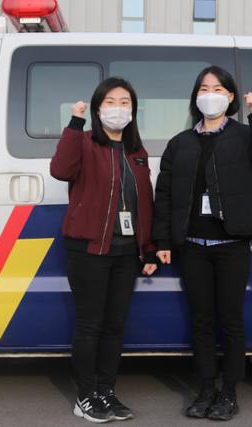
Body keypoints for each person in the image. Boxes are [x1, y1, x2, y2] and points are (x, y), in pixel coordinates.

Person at [152, 66, 252, 421]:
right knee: (201, 321)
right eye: (204, 88)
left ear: (229, 96)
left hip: (232, 244)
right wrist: (162, 240)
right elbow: (163, 195)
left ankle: (229, 392)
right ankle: (206, 389)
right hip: (192, 246)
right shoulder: (180, 143)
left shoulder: (243, 135)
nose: (210, 94)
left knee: (231, 320)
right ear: (196, 97)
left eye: (218, 88)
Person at [50, 77, 158, 423]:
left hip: (126, 253)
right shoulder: (83, 142)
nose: (118, 108)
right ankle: (85, 396)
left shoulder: (137, 153)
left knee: (115, 326)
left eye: (125, 102)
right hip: (89, 249)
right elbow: (60, 170)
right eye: (110, 101)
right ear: (99, 109)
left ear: (133, 110)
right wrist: (74, 122)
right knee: (90, 325)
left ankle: (106, 392)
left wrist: (149, 250)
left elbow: (145, 206)